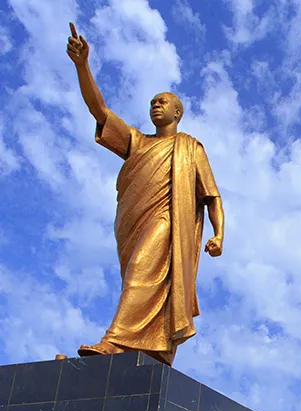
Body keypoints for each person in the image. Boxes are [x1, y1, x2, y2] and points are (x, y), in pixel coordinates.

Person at [66, 23, 224, 365]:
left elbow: (211, 195)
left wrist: (219, 235)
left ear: (177, 112)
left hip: (169, 222)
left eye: (162, 102)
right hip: (133, 224)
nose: (155, 105)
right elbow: (99, 111)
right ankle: (150, 348)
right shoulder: (138, 142)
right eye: (152, 102)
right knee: (137, 276)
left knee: (141, 268)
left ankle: (113, 341)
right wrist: (82, 66)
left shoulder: (189, 148)